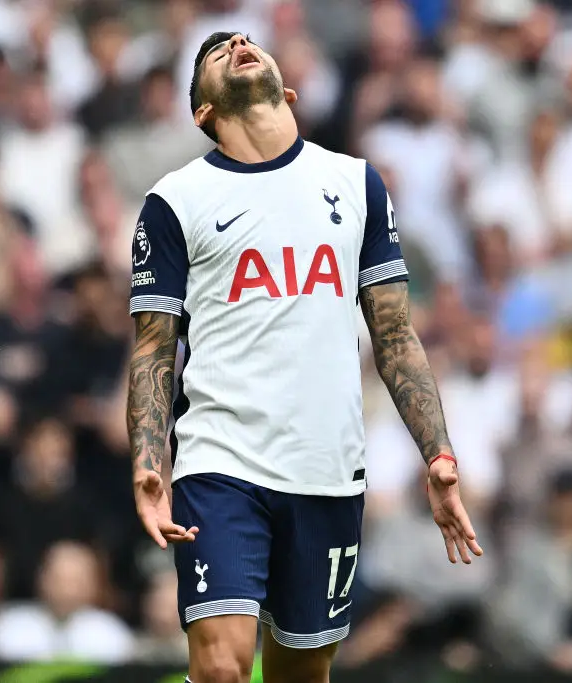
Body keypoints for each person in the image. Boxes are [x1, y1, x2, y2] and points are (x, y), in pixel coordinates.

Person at [127, 32, 482, 683]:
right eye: (214, 54)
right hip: (220, 462)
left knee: (300, 676)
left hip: (326, 468)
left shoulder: (356, 184)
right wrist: (151, 460)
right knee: (224, 668)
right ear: (203, 112)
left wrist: (439, 454)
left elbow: (396, 336)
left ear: (286, 89)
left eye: (246, 40)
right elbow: (153, 347)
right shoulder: (175, 202)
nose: (237, 42)